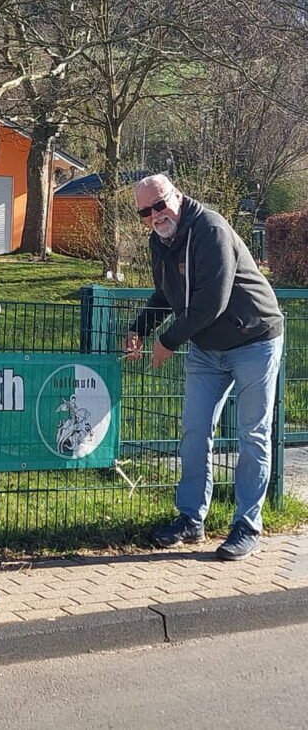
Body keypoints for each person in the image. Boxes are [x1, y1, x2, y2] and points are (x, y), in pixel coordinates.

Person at [123, 174, 284, 561]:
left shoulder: (210, 228)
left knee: (252, 436)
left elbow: (213, 299)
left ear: (177, 196)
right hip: (207, 349)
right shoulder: (158, 241)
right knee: (195, 432)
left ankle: (247, 526)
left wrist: (167, 341)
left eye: (160, 205)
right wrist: (141, 328)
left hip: (254, 339)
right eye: (146, 212)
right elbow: (166, 292)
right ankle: (191, 519)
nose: (155, 216)